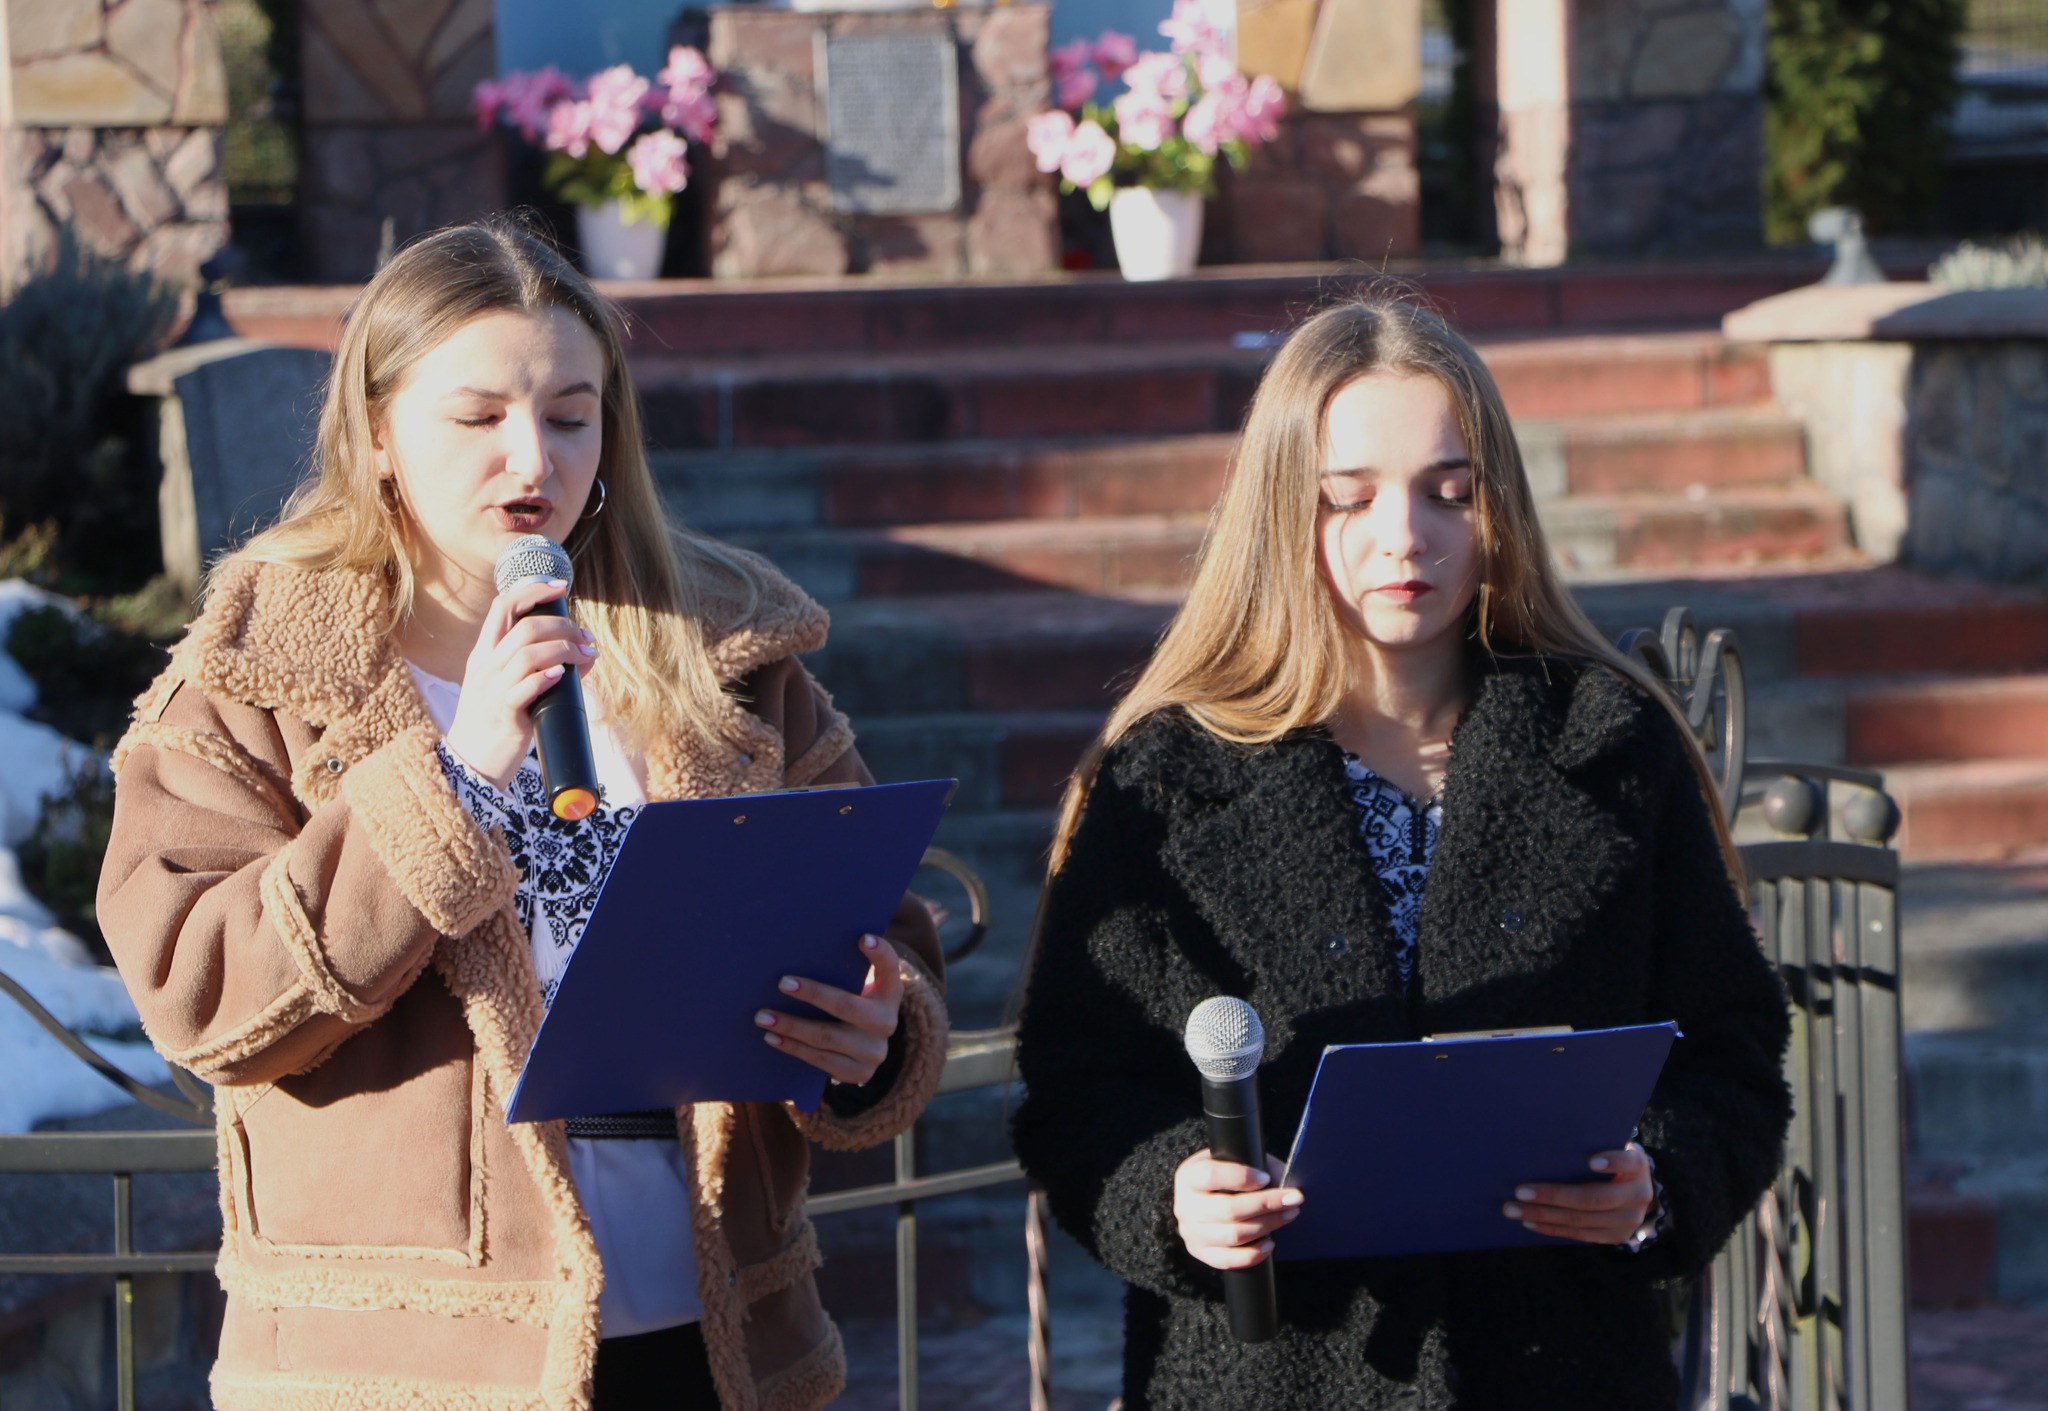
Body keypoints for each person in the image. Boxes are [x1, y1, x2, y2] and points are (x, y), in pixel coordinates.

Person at [95, 216, 948, 1411]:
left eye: (568, 415)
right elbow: (204, 997)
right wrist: (455, 773)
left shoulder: (721, 653)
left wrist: (871, 1038)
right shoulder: (258, 678)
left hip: (710, 1347)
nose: (531, 459)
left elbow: (882, 936)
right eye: (477, 416)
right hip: (407, 1371)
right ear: (377, 434)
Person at [1010, 295, 1792, 1410]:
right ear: (1281, 509)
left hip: (1564, 1371)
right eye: (1348, 497)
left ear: (1497, 506)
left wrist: (1657, 1181)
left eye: (1449, 492)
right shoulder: (1162, 776)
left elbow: (1732, 1051)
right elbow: (1076, 1090)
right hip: (1266, 1378)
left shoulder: (1611, 745)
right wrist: (1173, 1195)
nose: (1404, 536)